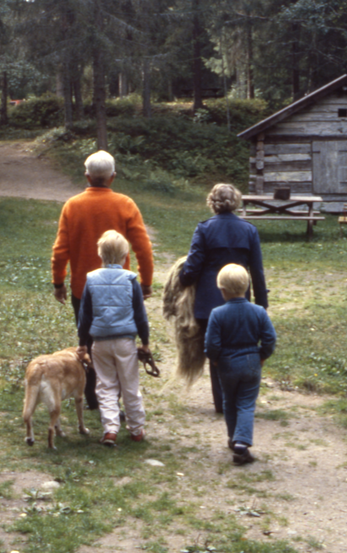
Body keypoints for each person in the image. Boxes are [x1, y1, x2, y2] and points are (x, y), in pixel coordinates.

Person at [52, 150, 154, 410]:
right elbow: (143, 247)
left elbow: (60, 249)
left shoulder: (72, 205)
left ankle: (94, 398)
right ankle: (115, 398)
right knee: (120, 339)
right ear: (113, 177)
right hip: (121, 288)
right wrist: (145, 282)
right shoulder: (126, 204)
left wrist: (58, 282)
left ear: (87, 177)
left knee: (87, 340)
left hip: (82, 289)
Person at [178, 183, 267, 414]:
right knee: (239, 347)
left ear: (212, 202)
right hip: (239, 299)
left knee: (215, 351)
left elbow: (193, 265)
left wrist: (183, 278)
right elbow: (257, 270)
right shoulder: (249, 230)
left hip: (208, 302)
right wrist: (262, 304)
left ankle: (221, 403)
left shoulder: (204, 229)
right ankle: (240, 399)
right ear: (235, 202)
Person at [77, 230, 150, 444]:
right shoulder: (130, 280)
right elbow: (140, 315)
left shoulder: (91, 279)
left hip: (99, 342)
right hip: (125, 342)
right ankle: (136, 429)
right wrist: (145, 342)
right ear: (125, 256)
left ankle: (110, 429)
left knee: (105, 385)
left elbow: (85, 316)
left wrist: (82, 344)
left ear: (100, 255)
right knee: (130, 385)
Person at [204, 263, 277, 466]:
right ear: (246, 287)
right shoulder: (259, 312)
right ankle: (241, 444)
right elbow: (270, 338)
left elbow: (211, 344)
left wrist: (215, 358)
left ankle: (233, 438)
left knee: (229, 401)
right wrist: (262, 355)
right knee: (246, 404)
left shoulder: (217, 314)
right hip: (251, 361)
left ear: (222, 290)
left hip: (227, 363)